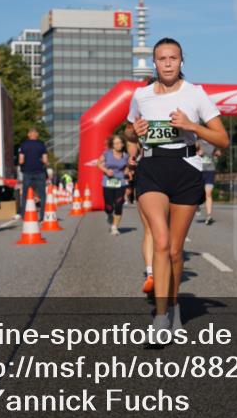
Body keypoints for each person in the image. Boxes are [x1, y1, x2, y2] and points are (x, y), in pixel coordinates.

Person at [126, 38, 229, 334]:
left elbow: (223, 139)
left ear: (182, 61)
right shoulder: (141, 95)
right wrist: (134, 131)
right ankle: (160, 319)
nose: (168, 63)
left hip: (185, 170)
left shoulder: (195, 94)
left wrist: (191, 126)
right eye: (162, 58)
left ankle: (174, 307)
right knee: (160, 242)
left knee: (174, 250)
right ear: (154, 63)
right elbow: (129, 133)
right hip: (151, 168)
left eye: (173, 58)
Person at [97, 134, 130, 235]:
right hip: (108, 182)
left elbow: (127, 167)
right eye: (116, 143)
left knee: (119, 204)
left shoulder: (126, 155)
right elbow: (98, 164)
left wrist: (127, 171)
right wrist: (106, 171)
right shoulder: (107, 154)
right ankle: (109, 214)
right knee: (109, 206)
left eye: (120, 143)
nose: (118, 145)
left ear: (123, 144)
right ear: (112, 145)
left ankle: (115, 227)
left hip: (120, 182)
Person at [17, 127, 48, 217]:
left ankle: (24, 215)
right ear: (37, 135)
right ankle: (42, 215)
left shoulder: (23, 145)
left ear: (28, 135)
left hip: (27, 172)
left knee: (25, 195)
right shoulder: (42, 145)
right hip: (40, 172)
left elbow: (21, 161)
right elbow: (45, 160)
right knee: (42, 195)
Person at [197, 139, 220, 225]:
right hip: (199, 171)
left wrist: (217, 153)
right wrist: (197, 153)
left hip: (210, 171)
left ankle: (209, 216)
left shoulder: (213, 142)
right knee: (198, 192)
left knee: (208, 193)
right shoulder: (197, 142)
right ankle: (197, 205)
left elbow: (218, 152)